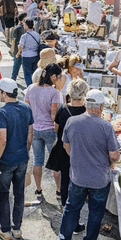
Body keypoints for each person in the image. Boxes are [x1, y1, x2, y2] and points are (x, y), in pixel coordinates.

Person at [55, 89, 119, 240]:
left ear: (85, 103)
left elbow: (66, 145)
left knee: (71, 208)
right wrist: (112, 161)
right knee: (96, 212)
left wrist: (77, 158)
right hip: (100, 179)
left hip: (78, 176)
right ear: (101, 107)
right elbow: (114, 155)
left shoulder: (72, 122)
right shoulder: (106, 126)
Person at [0, 79, 34, 240]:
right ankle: (17, 228)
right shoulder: (26, 108)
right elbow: (30, 134)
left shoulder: (2, 112)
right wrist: (25, 152)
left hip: (6, 161)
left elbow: (2, 140)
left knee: (3, 195)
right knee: (19, 194)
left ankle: (5, 230)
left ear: (4, 93)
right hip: (22, 158)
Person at [46, 77, 88, 212]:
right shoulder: (86, 111)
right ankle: (76, 208)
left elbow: (56, 128)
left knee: (65, 178)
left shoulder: (63, 109)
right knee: (79, 179)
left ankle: (65, 208)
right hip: (80, 149)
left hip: (63, 147)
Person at [24, 62, 63, 202]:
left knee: (37, 160)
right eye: (59, 77)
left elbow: (26, 110)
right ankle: (58, 190)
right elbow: (54, 116)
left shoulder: (30, 88)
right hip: (50, 130)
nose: (60, 79)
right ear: (53, 77)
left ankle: (38, 190)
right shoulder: (54, 93)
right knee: (56, 162)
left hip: (35, 129)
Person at [17, 18, 41, 88]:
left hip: (26, 56)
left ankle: (29, 88)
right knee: (34, 72)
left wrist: (18, 53)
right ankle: (35, 87)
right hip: (35, 55)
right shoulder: (37, 34)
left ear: (27, 26)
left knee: (27, 73)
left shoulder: (24, 36)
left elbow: (21, 47)